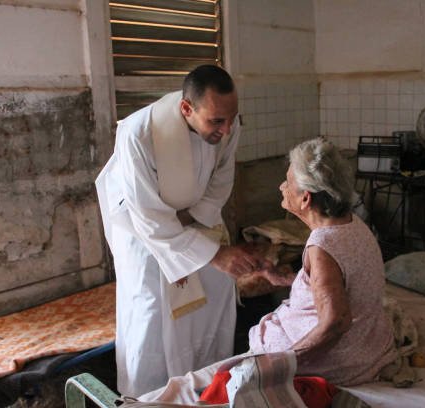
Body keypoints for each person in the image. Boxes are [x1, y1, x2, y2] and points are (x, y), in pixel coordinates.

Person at [95, 65, 264, 397]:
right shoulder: (138, 133)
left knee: (214, 296)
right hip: (144, 233)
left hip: (197, 219)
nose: (227, 130)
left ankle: (206, 389)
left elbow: (221, 181)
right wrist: (213, 254)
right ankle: (148, 399)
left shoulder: (227, 125)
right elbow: (147, 215)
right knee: (151, 315)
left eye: (232, 119)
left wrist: (195, 223)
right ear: (187, 108)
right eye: (217, 121)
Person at [248, 138, 397, 386]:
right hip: (370, 347)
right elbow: (338, 282)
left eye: (287, 182)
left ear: (306, 198)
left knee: (261, 336)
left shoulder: (322, 245)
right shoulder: (353, 223)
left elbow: (336, 322)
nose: (282, 187)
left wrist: (286, 361)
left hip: (342, 360)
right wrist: (286, 279)